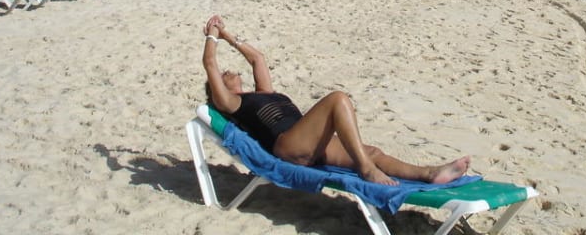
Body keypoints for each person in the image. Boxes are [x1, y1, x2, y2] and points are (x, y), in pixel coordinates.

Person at [202, 14, 471, 185]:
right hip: (288, 146)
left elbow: (257, 59)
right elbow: (210, 63)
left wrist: (228, 36)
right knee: (337, 99)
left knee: (373, 151)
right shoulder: (232, 104)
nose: (227, 71)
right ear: (219, 92)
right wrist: (212, 36)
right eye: (224, 76)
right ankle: (366, 169)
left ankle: (428, 174)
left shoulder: (261, 93)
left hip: (307, 142)